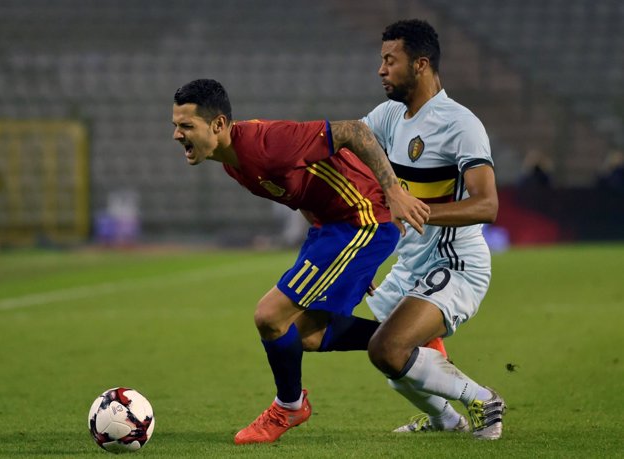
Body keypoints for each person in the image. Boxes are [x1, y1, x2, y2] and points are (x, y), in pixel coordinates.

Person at [172, 78, 430, 445]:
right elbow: (304, 187)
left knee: (270, 316)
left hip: (362, 219)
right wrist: (346, 266)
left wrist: (394, 191)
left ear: (217, 125)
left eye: (186, 126)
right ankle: (407, 341)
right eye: (175, 126)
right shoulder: (232, 162)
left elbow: (354, 131)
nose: (177, 135)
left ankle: (289, 406)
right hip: (335, 229)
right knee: (307, 335)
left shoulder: (266, 144)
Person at [361, 19, 507, 440]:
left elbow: (487, 205)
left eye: (391, 60)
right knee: (397, 362)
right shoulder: (388, 116)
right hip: (411, 264)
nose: (381, 69)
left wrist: (415, 210)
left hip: (456, 264)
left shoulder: (460, 124)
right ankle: (445, 420)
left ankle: (484, 400)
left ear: (420, 64)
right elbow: (355, 156)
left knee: (388, 349)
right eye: (381, 60)